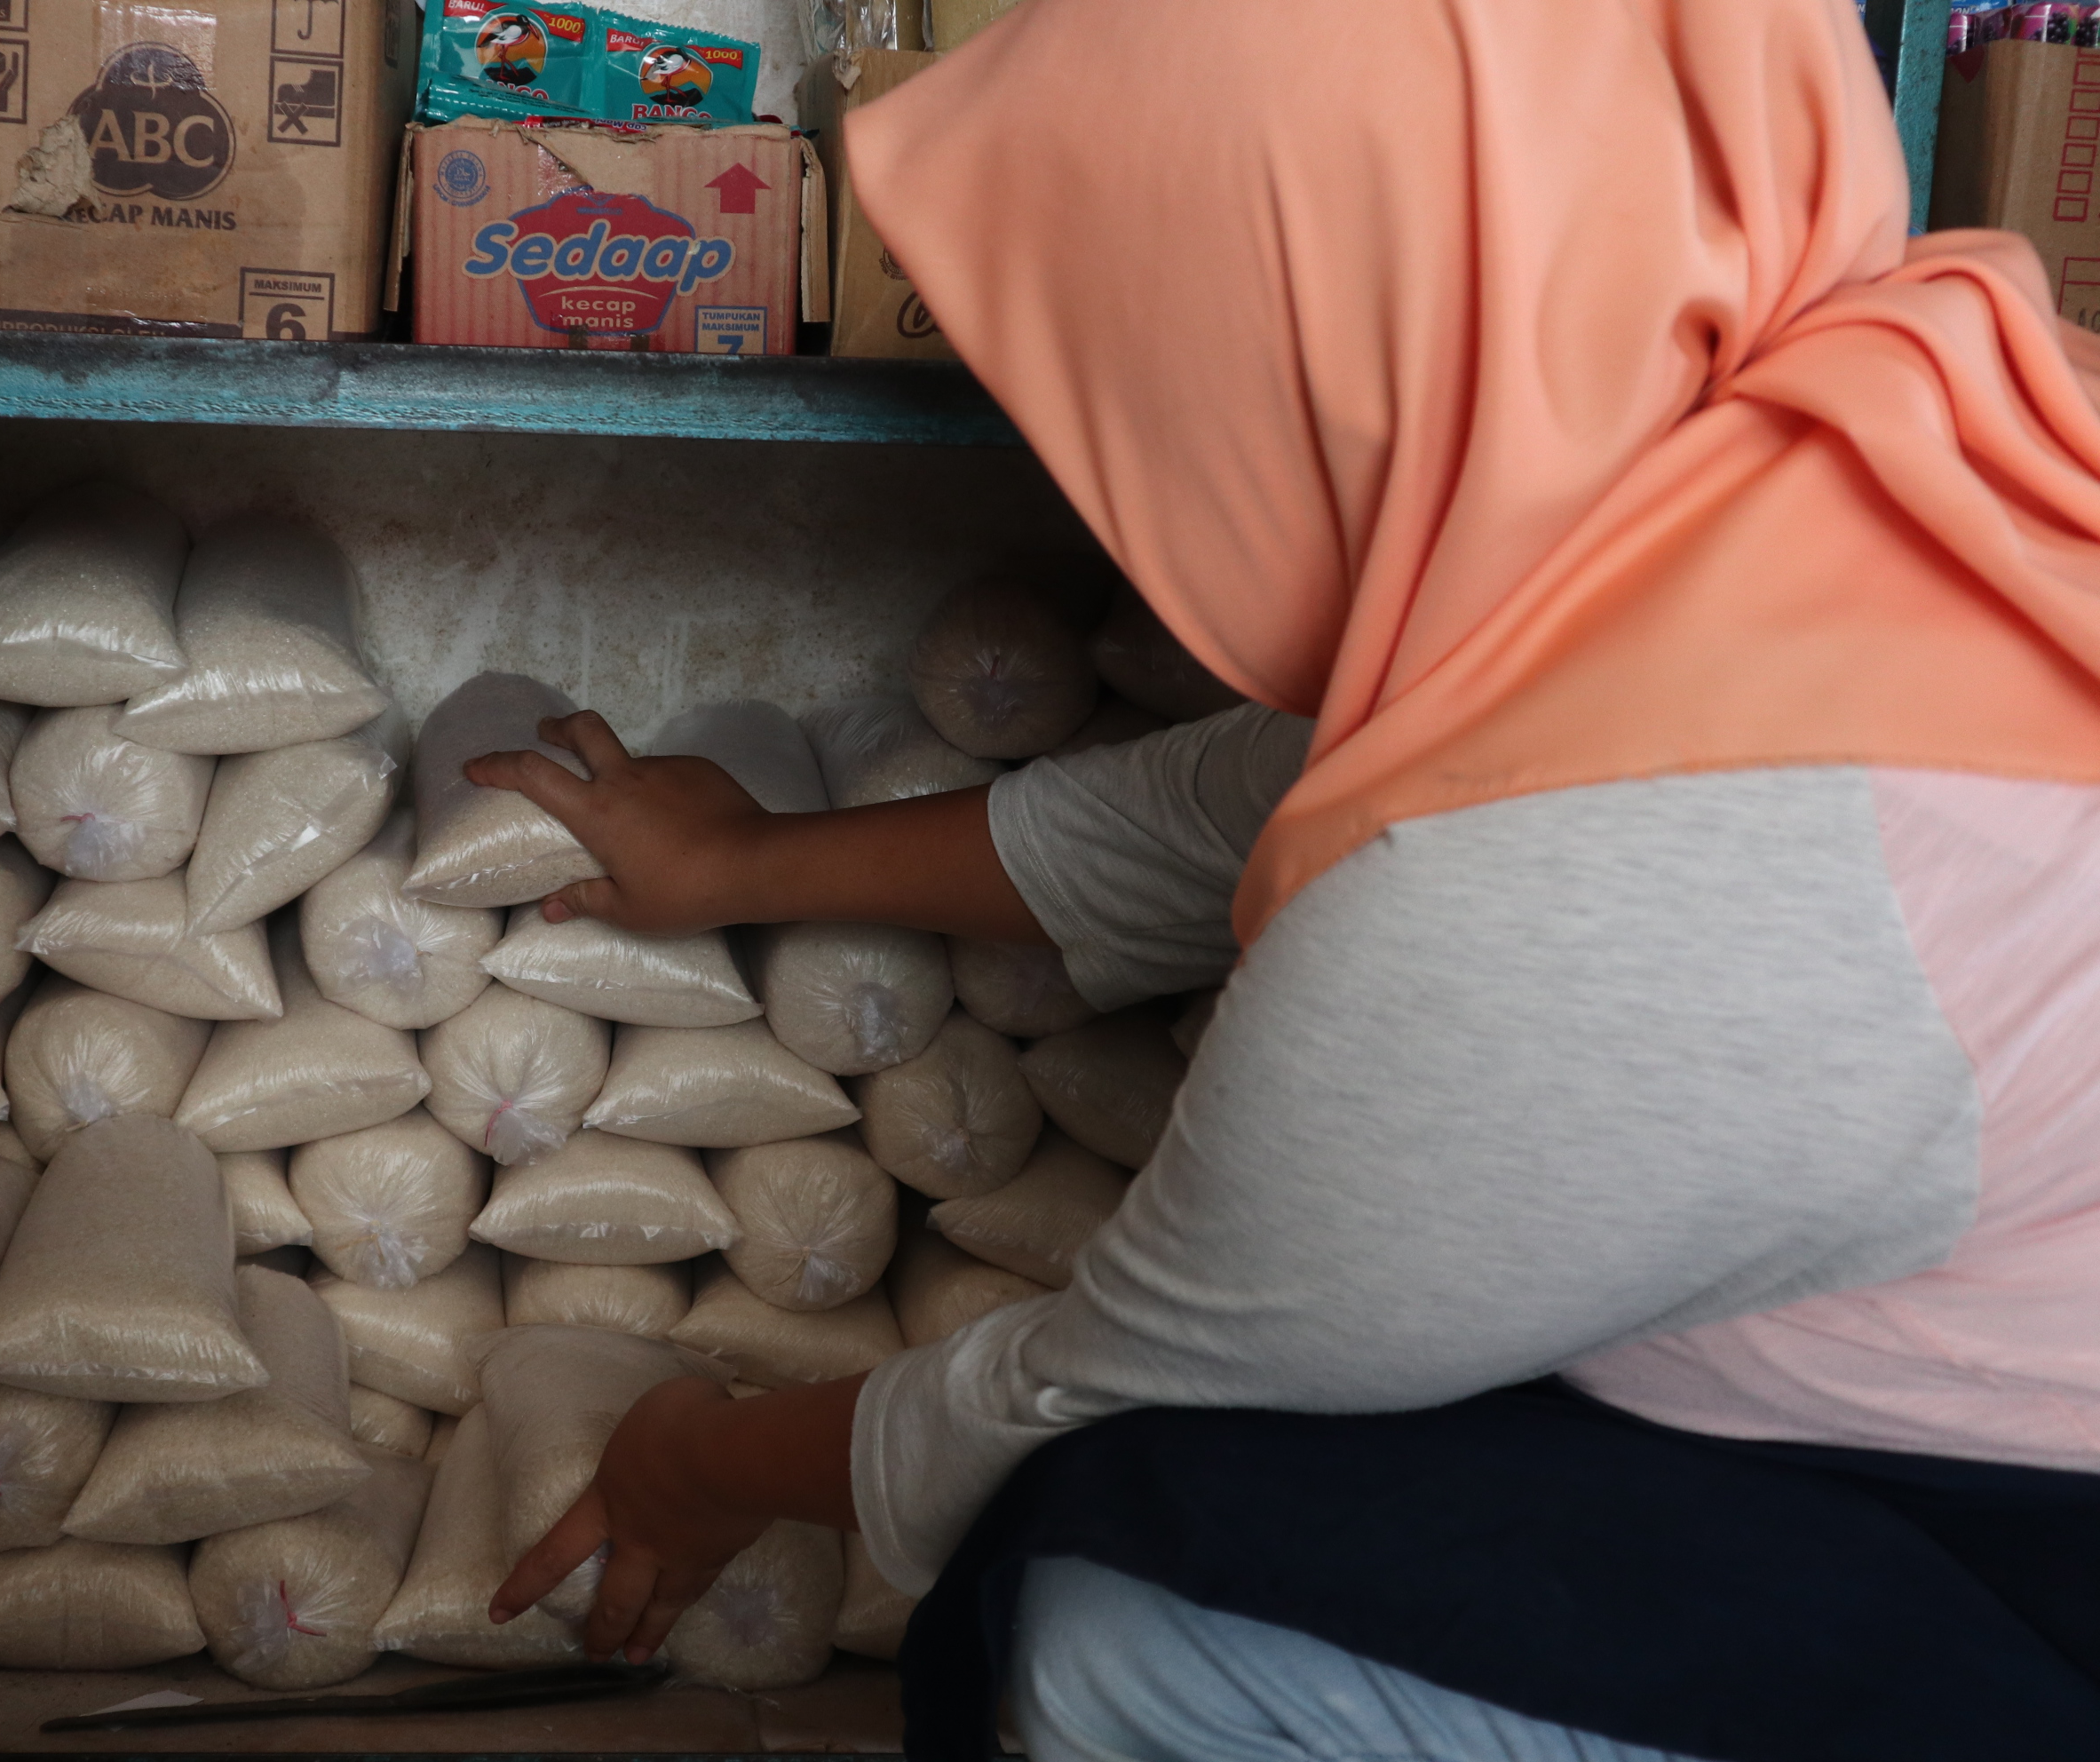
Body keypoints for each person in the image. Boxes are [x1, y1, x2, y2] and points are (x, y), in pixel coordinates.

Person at [469, 0, 2100, 1755]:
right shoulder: (1875, 459)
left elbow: (1091, 1380)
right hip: (1961, 1441)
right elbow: (1263, 799)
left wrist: (699, 1458)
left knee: (1121, 1595)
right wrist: (746, 861)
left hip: (2025, 1572)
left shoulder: (1590, 868)